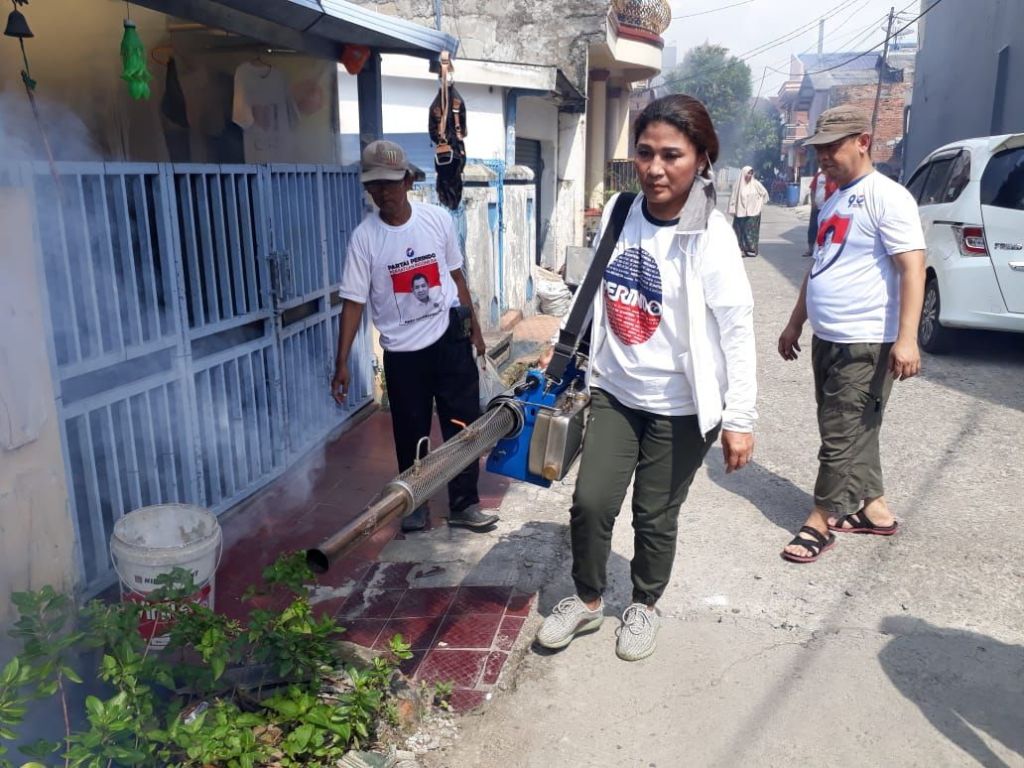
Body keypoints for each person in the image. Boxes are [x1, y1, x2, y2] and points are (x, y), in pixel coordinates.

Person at [534, 94, 757, 661]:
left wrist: (740, 418)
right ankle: (588, 600)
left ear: (701, 159)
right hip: (616, 390)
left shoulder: (712, 234)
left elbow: (737, 330)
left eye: (672, 155)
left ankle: (644, 605)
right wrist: (562, 342)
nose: (655, 168)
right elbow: (593, 287)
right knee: (590, 502)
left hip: (681, 406)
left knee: (654, 515)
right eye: (645, 153)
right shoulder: (620, 210)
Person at [777, 105, 926, 564]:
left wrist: (907, 338)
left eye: (832, 146)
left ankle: (820, 522)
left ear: (863, 141)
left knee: (841, 432)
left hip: (866, 340)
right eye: (819, 148)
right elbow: (818, 266)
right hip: (829, 337)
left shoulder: (889, 197)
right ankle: (875, 510)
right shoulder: (835, 199)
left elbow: (913, 268)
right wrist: (796, 321)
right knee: (851, 425)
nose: (823, 156)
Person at [331, 139, 499, 533]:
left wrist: (475, 328)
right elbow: (353, 303)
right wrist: (341, 363)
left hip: (449, 338)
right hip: (403, 354)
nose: (382, 193)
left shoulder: (436, 220)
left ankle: (464, 504)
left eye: (390, 183)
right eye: (374, 185)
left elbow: (456, 277)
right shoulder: (364, 238)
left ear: (408, 181)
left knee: (463, 425)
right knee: (410, 433)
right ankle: (415, 503)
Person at [728, 166, 770, 257]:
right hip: (740, 212)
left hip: (753, 213)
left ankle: (750, 249)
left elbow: (765, 193)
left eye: (751, 173)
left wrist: (759, 204)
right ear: (743, 174)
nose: (749, 175)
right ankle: (740, 250)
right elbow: (733, 198)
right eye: (748, 173)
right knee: (739, 231)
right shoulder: (738, 185)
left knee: (749, 231)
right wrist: (732, 209)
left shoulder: (755, 184)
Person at [804, 166, 838, 257]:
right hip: (817, 207)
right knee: (813, 228)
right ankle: (810, 249)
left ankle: (824, 250)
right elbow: (812, 190)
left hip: (828, 209)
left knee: (826, 230)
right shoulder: (818, 176)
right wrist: (813, 203)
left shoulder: (833, 177)